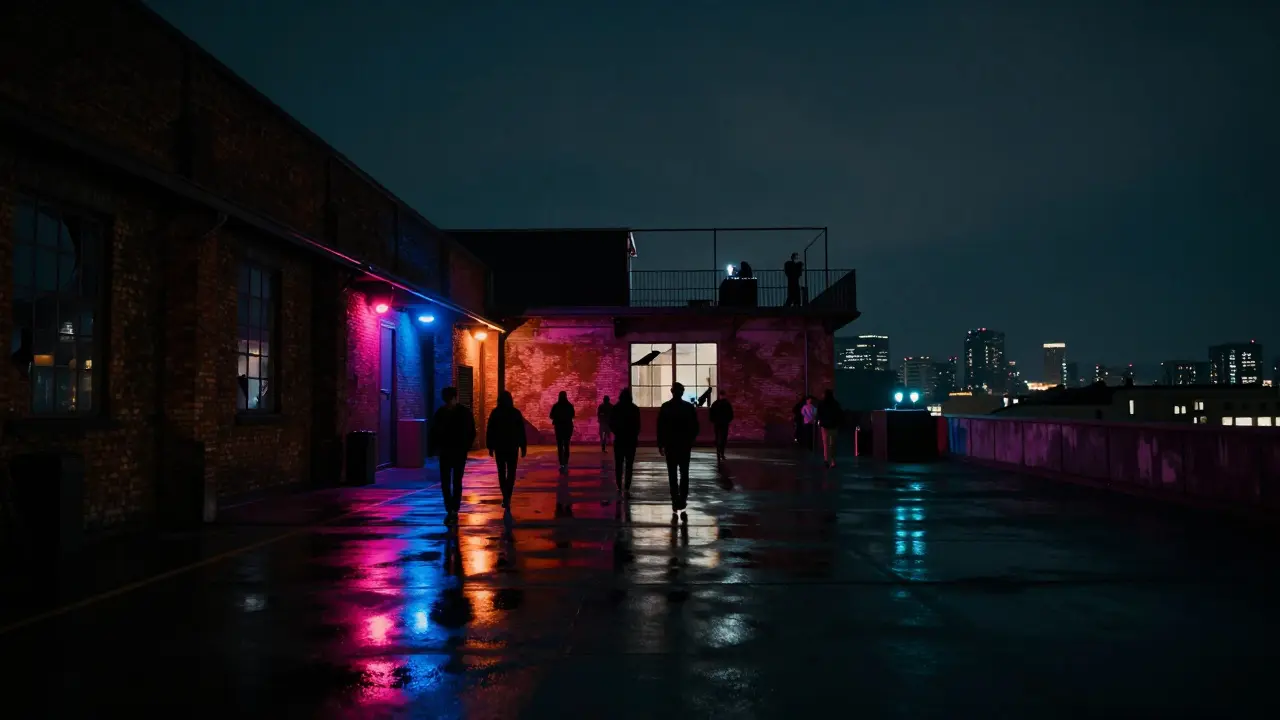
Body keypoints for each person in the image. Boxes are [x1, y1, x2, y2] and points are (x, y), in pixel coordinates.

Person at [428, 386, 476, 525]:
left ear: (454, 398)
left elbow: (434, 432)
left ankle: (453, 508)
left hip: (454, 451)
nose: (448, 402)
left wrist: (465, 447)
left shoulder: (445, 413)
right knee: (448, 481)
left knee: (454, 480)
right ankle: (451, 508)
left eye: (449, 399)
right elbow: (434, 432)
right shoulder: (460, 413)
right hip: (451, 451)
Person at [657, 382, 699, 515]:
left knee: (672, 474)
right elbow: (695, 427)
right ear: (682, 392)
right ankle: (683, 499)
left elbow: (660, 428)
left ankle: (675, 500)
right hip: (684, 445)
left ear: (672, 391)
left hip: (671, 445)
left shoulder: (666, 407)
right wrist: (690, 440)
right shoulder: (688, 407)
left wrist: (661, 444)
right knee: (684, 473)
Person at [485, 390, 527, 509]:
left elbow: (490, 430)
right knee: (511, 473)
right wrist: (523, 446)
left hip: (500, 447)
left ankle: (505, 496)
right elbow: (521, 432)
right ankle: (508, 495)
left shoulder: (495, 413)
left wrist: (490, 446)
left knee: (502, 472)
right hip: (512, 447)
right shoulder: (515, 413)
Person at [610, 388, 641, 494]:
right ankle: (627, 486)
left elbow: (611, 423)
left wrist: (617, 432)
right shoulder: (634, 409)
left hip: (619, 440)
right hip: (630, 440)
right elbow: (637, 425)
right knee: (629, 464)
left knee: (618, 464)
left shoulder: (616, 408)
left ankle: (619, 485)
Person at [817, 389, 844, 468]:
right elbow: (839, 414)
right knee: (832, 445)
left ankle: (826, 460)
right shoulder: (835, 404)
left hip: (825, 426)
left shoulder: (821, 404)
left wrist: (821, 422)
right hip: (833, 426)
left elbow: (819, 414)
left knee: (826, 443)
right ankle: (833, 461)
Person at [550, 391, 575, 471]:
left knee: (560, 446)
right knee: (566, 445)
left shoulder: (556, 406)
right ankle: (566, 463)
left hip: (559, 428)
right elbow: (573, 415)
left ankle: (561, 464)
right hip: (568, 427)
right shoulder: (569, 406)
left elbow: (551, 416)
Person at [709, 394, 734, 462]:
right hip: (724, 423)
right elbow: (731, 414)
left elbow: (711, 413)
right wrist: (727, 420)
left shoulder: (715, 403)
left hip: (717, 423)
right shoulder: (727, 404)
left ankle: (718, 451)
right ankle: (721, 453)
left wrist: (713, 420)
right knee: (723, 438)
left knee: (718, 437)